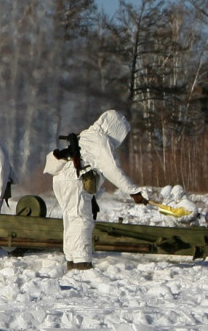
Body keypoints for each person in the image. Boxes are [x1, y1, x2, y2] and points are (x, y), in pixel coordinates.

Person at [44, 110, 148, 272]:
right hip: (74, 180)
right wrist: (133, 191)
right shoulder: (100, 141)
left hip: (62, 179)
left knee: (71, 219)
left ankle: (72, 260)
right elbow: (112, 169)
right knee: (81, 219)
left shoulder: (87, 135)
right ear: (115, 130)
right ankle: (81, 263)